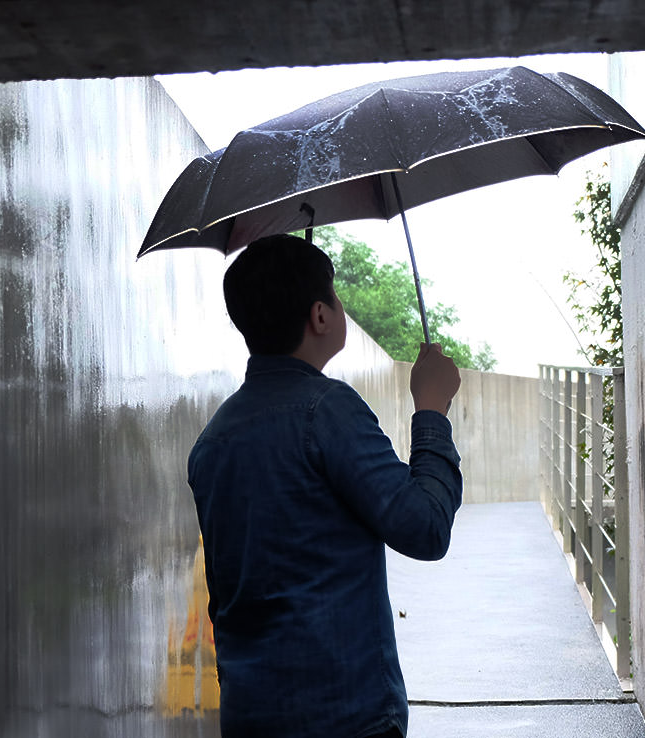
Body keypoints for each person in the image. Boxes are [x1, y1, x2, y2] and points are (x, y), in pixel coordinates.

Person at [187, 233, 464, 738]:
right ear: (319, 316)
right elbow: (424, 527)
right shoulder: (327, 409)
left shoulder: (213, 440)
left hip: (251, 716)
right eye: (336, 298)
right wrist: (431, 409)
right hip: (345, 714)